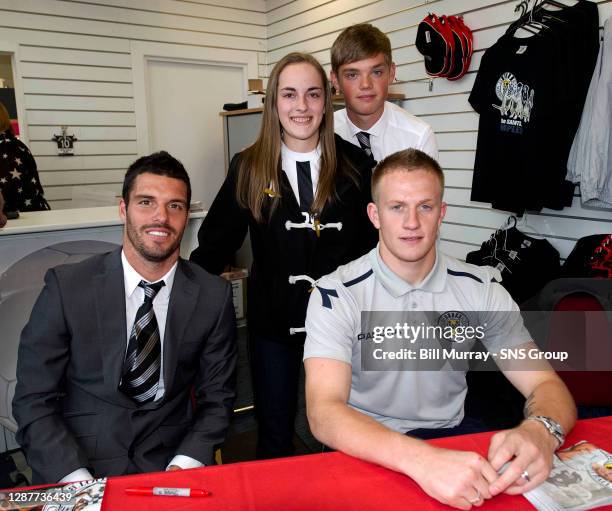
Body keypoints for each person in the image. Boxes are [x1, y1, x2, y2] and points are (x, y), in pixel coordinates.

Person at [304, 149, 577, 510]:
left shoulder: (480, 289)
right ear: (375, 215)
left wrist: (540, 431)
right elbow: (324, 412)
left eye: (425, 207)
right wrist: (421, 460)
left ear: (442, 213)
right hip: (367, 446)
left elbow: (545, 384)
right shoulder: (336, 293)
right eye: (397, 207)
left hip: (450, 440)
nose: (412, 222)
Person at [190, 52, 377, 460]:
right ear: (273, 102)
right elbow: (214, 246)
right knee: (273, 430)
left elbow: (375, 250)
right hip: (272, 324)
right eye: (289, 95)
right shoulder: (249, 166)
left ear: (327, 102)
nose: (302, 106)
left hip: (342, 323)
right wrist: (178, 302)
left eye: (312, 94)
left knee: (344, 431)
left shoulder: (357, 165)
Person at [13, 151, 237, 484]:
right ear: (123, 209)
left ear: (186, 215)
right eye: (146, 202)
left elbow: (218, 399)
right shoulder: (67, 287)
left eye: (174, 205)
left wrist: (184, 465)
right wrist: (75, 480)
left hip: (170, 459)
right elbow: (33, 398)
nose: (160, 217)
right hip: (79, 459)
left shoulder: (212, 296)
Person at [330, 24, 438, 162]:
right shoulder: (321, 135)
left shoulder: (419, 138)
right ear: (335, 80)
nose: (366, 85)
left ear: (391, 73)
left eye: (376, 72)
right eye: (352, 75)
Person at [0, 102, 50, 213]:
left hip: (18, 220)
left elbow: (9, 190)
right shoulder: (18, 145)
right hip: (33, 214)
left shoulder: (6, 147)